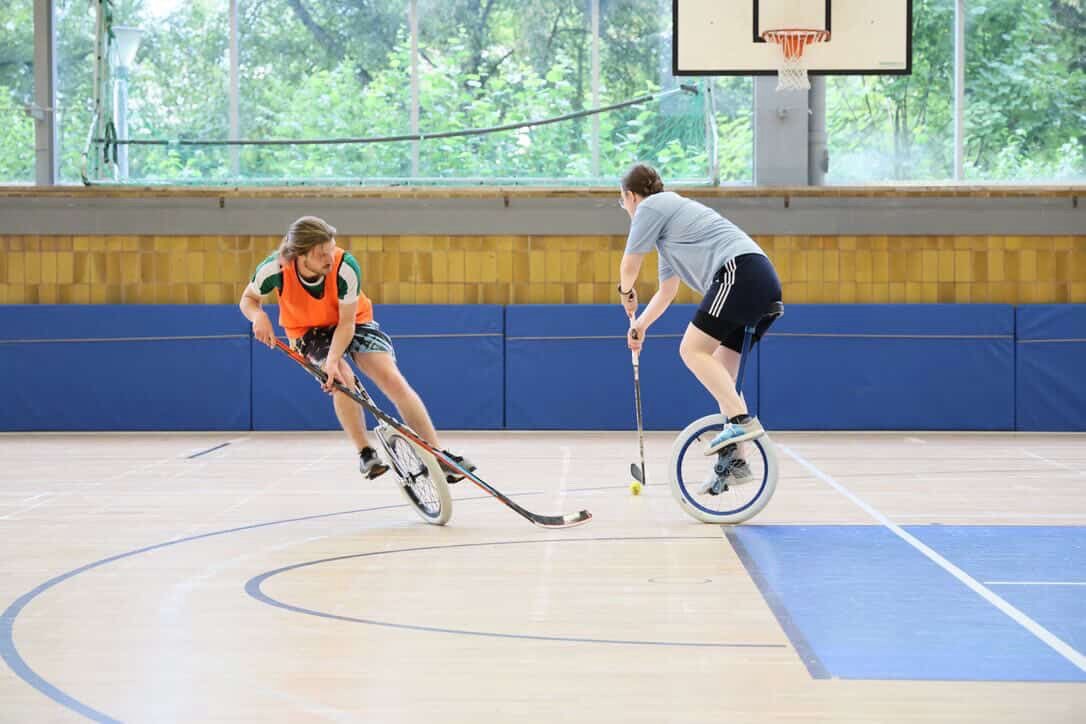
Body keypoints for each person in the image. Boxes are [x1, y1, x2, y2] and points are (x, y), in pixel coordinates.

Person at [240, 215, 470, 483]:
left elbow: (347, 325)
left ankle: (438, 455)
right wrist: (258, 317)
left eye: (331, 248)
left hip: (352, 322)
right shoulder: (275, 269)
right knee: (342, 380)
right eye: (321, 253)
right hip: (306, 331)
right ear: (300, 254)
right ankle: (366, 453)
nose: (330, 256)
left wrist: (333, 358)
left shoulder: (344, 267)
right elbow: (248, 299)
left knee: (392, 380)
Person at [615, 163, 782, 482]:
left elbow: (630, 264)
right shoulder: (670, 229)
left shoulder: (652, 205)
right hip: (759, 280)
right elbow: (667, 291)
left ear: (631, 197)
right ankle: (736, 463)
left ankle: (742, 422)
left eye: (623, 203)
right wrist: (641, 326)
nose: (626, 209)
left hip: (740, 273)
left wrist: (625, 291)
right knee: (722, 372)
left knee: (692, 350)